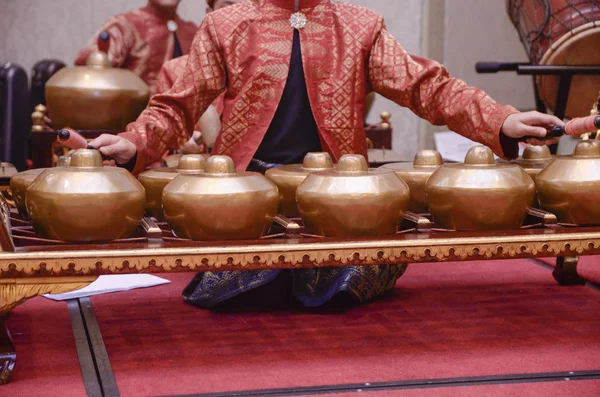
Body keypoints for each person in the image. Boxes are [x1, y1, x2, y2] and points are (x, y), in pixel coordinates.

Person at [90, 0, 564, 309]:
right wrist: (136, 141)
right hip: (249, 200)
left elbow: (427, 87)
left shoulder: (360, 25)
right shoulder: (226, 25)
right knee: (239, 282)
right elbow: (179, 106)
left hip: (338, 199)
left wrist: (499, 120)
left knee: (352, 270)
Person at [155, 0, 242, 154]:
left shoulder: (272, 73)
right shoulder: (175, 70)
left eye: (245, 9)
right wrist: (178, 141)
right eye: (228, 8)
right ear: (209, 13)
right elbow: (158, 134)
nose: (236, 17)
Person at [74, 0, 198, 94]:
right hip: (134, 120)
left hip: (186, 122)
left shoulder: (193, 32)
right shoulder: (125, 26)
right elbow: (91, 67)